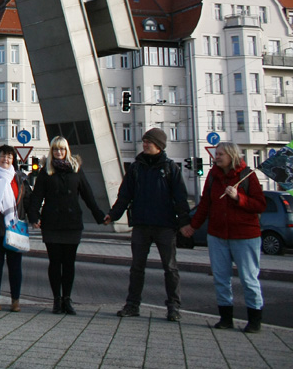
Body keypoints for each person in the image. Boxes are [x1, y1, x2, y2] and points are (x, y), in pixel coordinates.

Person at [180, 141, 266, 332]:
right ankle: (226, 318)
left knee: (248, 278)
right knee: (220, 278)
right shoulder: (213, 175)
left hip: (245, 236)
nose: (216, 157)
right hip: (218, 235)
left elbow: (260, 205)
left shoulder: (247, 176)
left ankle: (254, 320)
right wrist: (192, 227)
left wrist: (238, 198)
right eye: (216, 154)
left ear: (231, 155)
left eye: (220, 154)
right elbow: (205, 205)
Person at [104, 127, 188, 321]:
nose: (145, 144)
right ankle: (132, 304)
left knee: (170, 267)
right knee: (137, 267)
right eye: (144, 141)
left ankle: (173, 306)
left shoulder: (170, 168)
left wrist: (184, 223)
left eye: (149, 141)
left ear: (159, 145)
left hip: (165, 226)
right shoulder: (136, 168)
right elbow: (125, 195)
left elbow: (180, 198)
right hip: (141, 225)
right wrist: (113, 215)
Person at [26, 136, 105, 315]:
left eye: (62, 149)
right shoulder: (46, 171)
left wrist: (100, 216)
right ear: (52, 151)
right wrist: (34, 215)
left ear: (67, 150)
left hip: (72, 223)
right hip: (52, 223)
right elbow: (37, 196)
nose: (59, 152)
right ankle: (56, 299)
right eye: (55, 149)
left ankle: (67, 299)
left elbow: (88, 195)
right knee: (55, 262)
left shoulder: (76, 169)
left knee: (69, 263)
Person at [0, 145, 31, 312]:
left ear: (14, 160)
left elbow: (27, 200)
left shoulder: (20, 178)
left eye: (9, 157)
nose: (6, 159)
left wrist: (35, 218)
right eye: (3, 156)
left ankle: (15, 301)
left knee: (15, 267)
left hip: (15, 228)